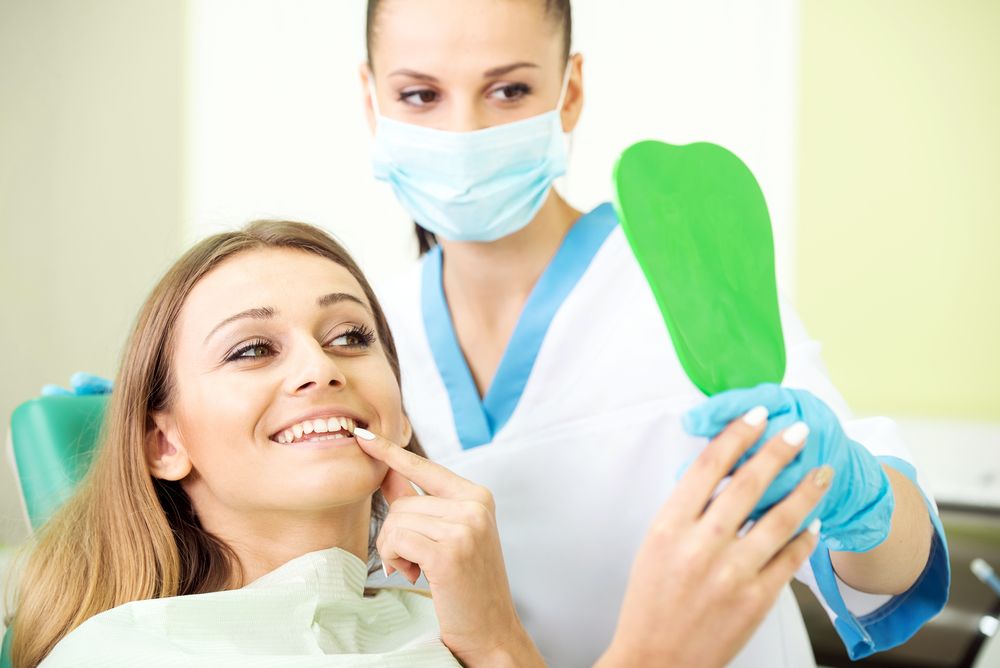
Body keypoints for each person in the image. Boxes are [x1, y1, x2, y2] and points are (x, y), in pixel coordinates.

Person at [361, 0, 950, 665]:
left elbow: (893, 571)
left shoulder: (680, 277)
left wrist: (856, 497)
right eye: (419, 94)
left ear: (570, 91)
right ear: (370, 96)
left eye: (508, 90)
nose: (463, 131)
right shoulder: (356, 337)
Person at [8, 221, 831, 667]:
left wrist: (498, 638)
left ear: (396, 412)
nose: (320, 369)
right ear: (162, 442)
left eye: (350, 335)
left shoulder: (437, 628)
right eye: (252, 349)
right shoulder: (126, 656)